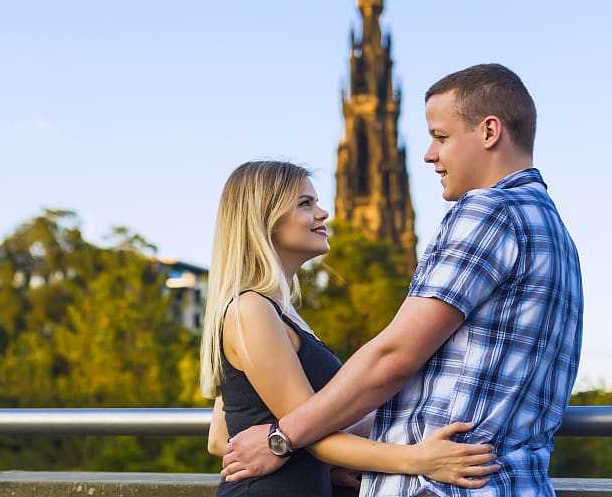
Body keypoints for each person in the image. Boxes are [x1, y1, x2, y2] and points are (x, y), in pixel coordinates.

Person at [221, 64, 584, 497]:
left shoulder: (488, 212)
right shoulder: (555, 233)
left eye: (442, 137)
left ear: (489, 132)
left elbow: (394, 355)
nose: (430, 154)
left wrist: (283, 439)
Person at [201, 160, 500, 497]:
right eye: (305, 203)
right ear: (264, 219)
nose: (323, 213)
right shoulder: (250, 311)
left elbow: (222, 434)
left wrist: (323, 464)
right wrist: (419, 460)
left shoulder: (276, 312)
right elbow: (308, 434)